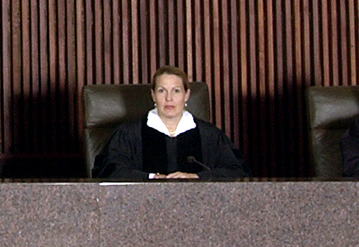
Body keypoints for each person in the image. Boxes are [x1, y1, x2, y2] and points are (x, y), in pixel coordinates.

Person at [93, 66, 249, 179]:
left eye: (176, 91)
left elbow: (236, 172)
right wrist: (152, 178)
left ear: (187, 95)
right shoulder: (129, 135)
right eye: (162, 91)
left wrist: (196, 177)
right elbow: (109, 171)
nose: (169, 98)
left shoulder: (209, 135)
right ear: (153, 95)